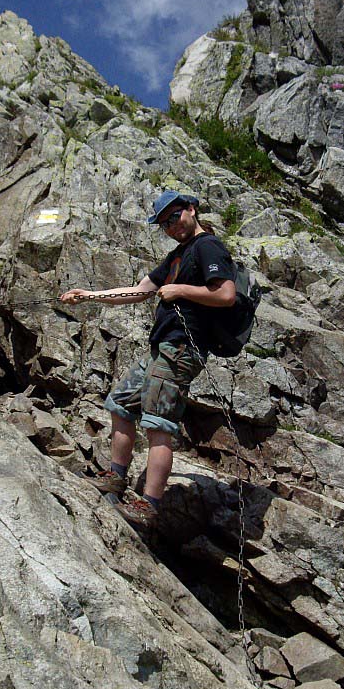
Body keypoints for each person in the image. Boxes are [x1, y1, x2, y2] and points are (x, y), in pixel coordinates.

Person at [60, 191, 237, 526]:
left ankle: (149, 505)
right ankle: (116, 476)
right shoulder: (177, 256)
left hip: (182, 348)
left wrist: (181, 290)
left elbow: (225, 294)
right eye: (164, 223)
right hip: (163, 347)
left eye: (175, 217)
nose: (171, 226)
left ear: (191, 210)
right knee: (121, 403)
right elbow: (139, 291)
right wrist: (90, 296)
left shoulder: (207, 246)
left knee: (158, 424)